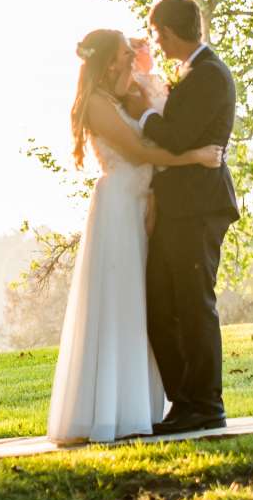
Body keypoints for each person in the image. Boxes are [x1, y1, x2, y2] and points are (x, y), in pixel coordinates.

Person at [46, 28, 226, 446]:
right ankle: (106, 411)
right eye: (127, 53)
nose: (134, 56)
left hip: (142, 206)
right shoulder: (96, 105)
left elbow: (159, 119)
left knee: (144, 307)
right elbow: (140, 151)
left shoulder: (123, 98)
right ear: (109, 60)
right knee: (119, 304)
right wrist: (194, 157)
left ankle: (138, 408)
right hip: (118, 208)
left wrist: (144, 75)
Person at [136, 0, 240, 436]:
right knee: (162, 305)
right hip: (178, 208)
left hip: (199, 208)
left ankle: (206, 403)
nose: (156, 41)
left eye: (158, 33)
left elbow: (176, 138)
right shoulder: (191, 73)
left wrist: (141, 114)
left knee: (195, 305)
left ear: (172, 32)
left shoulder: (210, 76)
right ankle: (184, 401)